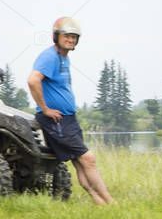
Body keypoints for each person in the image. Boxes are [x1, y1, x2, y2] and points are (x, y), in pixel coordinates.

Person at [27, 17, 114, 205]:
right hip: (55, 120)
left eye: (74, 37)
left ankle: (99, 202)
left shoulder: (63, 58)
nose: (71, 40)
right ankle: (111, 203)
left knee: (81, 164)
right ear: (56, 36)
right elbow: (33, 80)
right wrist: (45, 109)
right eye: (67, 36)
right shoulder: (49, 56)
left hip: (68, 119)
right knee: (88, 159)